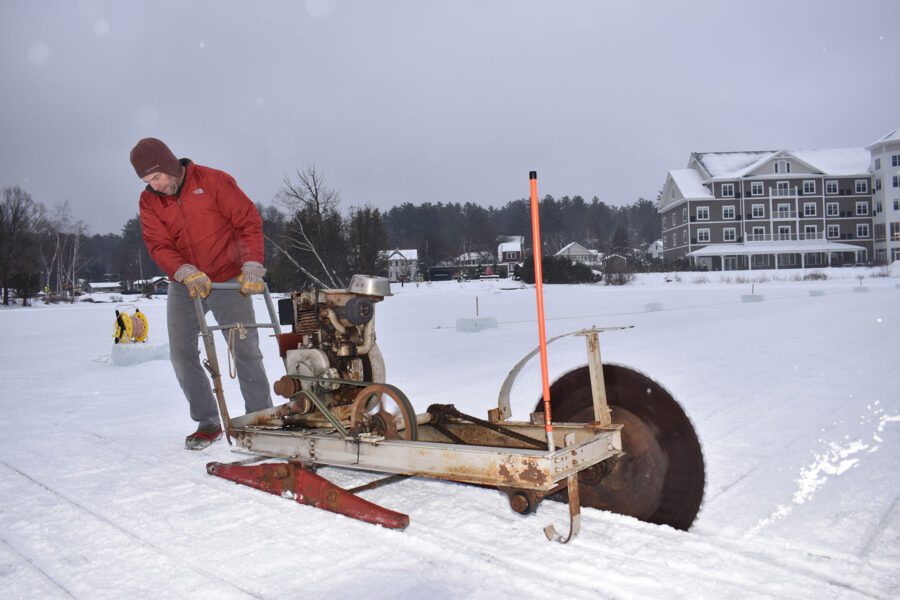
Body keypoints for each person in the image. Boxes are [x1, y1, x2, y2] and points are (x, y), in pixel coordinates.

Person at [130, 137, 273, 450]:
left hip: (227, 278)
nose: (154, 186)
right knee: (180, 352)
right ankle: (207, 421)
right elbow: (158, 244)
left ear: (168, 166)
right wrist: (183, 271)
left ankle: (261, 419)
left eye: (156, 178)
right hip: (186, 284)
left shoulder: (213, 181)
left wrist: (251, 265)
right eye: (146, 181)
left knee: (244, 348)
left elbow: (248, 221)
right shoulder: (149, 201)